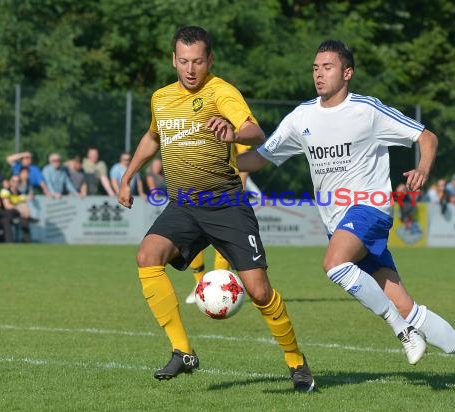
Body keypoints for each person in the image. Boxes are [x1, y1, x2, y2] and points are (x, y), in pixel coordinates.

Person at [237, 39, 455, 392]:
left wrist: (422, 169)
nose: (319, 74)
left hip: (370, 209)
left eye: (327, 67)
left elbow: (426, 137)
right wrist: (217, 160)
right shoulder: (301, 117)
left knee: (334, 264)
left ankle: (402, 331)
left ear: (347, 73)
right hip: (339, 223)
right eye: (315, 67)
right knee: (406, 305)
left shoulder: (367, 111)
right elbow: (261, 157)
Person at [117, 25, 315, 392]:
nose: (191, 69)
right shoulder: (161, 98)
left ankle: (296, 361)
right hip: (184, 204)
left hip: (225, 204)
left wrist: (232, 131)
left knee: (258, 291)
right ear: (173, 60)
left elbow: (255, 132)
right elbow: (152, 136)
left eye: (198, 61)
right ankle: (183, 351)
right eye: (184, 61)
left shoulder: (220, 91)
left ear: (210, 60)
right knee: (147, 255)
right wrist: (128, 175)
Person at [185, 143, 252, 304]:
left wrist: (240, 188)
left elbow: (245, 159)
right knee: (192, 238)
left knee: (223, 239)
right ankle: (199, 284)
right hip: (195, 188)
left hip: (226, 190)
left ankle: (218, 284)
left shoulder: (234, 121)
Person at [0, 174, 32, 242]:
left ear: (19, 183)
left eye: (17, 181)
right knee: (6, 219)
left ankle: (28, 242)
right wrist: (19, 208)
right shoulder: (5, 191)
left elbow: (25, 208)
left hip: (14, 214)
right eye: (13, 181)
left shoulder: (21, 194)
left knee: (24, 219)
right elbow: (7, 206)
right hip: (3, 214)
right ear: (10, 182)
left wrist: (26, 213)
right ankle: (9, 243)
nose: (15, 183)